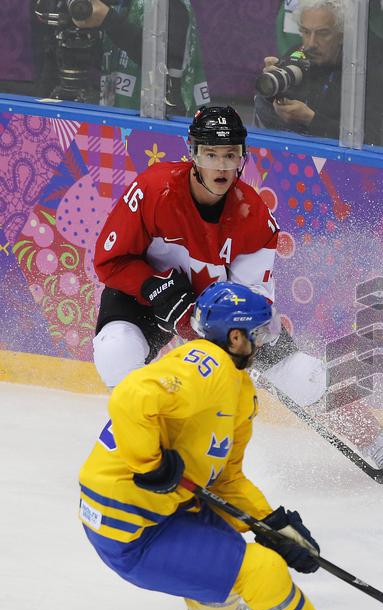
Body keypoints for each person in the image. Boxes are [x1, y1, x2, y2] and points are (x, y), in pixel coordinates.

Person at [78, 282, 367, 610]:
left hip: (160, 507)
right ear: (236, 337)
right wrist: (150, 465)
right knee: (260, 570)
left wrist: (273, 523)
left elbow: (225, 480)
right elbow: (131, 396)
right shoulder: (206, 364)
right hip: (128, 526)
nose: (266, 342)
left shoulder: (238, 390)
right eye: (260, 333)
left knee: (225, 547)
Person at [90, 105, 325, 408]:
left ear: (242, 157)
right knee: (116, 350)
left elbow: (254, 297)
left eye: (230, 155)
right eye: (210, 155)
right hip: (144, 298)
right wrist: (153, 286)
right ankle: (138, 430)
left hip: (216, 314)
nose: (221, 167)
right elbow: (109, 260)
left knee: (304, 377)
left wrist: (233, 329)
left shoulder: (253, 215)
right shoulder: (153, 189)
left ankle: (370, 439)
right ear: (193, 154)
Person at [253, 0, 382, 143]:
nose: (311, 43)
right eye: (306, 32)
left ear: (342, 34)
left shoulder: (358, 71)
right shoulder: (296, 55)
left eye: (323, 33)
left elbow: (370, 139)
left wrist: (310, 119)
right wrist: (272, 91)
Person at [71, 0, 210, 115]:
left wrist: (110, 21)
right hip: (116, 116)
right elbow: (107, 60)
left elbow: (165, 63)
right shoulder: (120, 4)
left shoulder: (168, 4)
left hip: (161, 125)